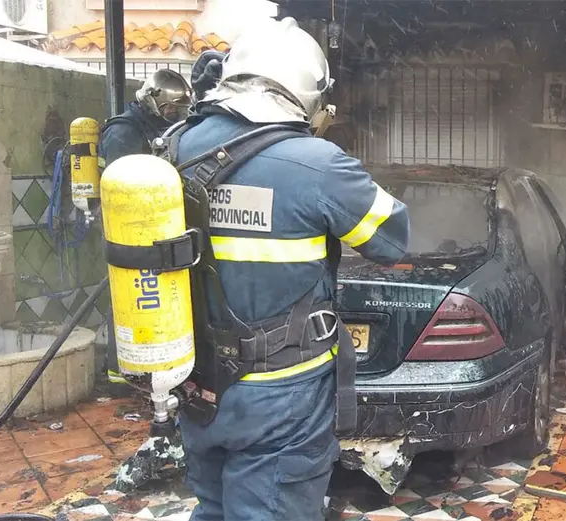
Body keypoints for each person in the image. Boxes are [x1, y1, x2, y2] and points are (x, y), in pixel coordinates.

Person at [165, 17, 409, 521]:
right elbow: (390, 239)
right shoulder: (317, 163)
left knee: (214, 507)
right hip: (281, 394)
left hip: (197, 386)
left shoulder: (174, 147)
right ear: (308, 95)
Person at [99, 68, 193, 384]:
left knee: (153, 295)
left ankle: (152, 363)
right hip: (127, 225)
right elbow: (123, 185)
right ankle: (120, 370)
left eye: (179, 110)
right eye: (170, 109)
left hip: (154, 223)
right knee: (127, 292)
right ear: (151, 101)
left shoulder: (158, 126)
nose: (175, 116)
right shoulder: (123, 132)